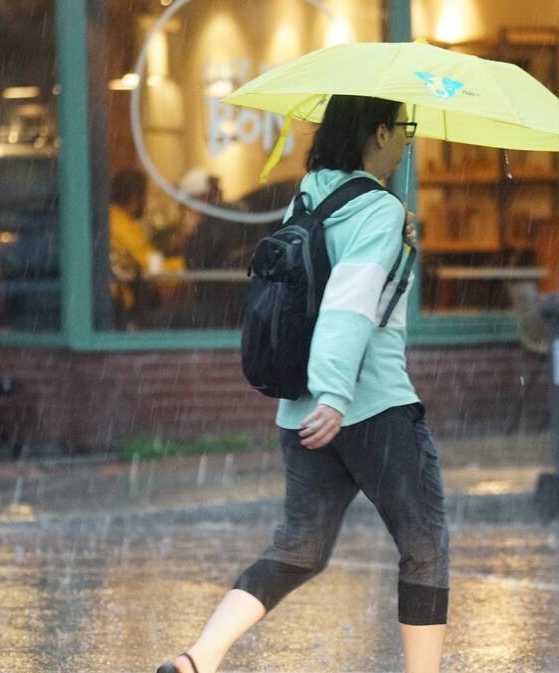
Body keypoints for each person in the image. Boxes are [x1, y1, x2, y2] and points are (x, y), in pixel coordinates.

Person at [157, 96, 447, 673]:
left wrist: (399, 239)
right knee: (425, 546)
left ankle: (197, 660)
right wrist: (336, 395)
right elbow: (348, 304)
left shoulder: (310, 197)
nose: (408, 140)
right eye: (405, 128)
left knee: (298, 549)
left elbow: (325, 284)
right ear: (380, 133)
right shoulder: (378, 209)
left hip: (300, 411)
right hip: (371, 406)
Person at [108, 169, 184, 324]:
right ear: (135, 197)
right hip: (120, 304)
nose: (147, 202)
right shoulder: (123, 227)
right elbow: (154, 269)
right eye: (145, 195)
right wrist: (189, 266)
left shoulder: (114, 219)